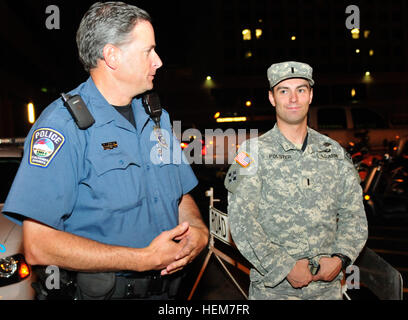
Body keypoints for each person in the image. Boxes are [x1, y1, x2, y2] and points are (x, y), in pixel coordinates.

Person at [2, 2, 208, 300]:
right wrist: (143, 258)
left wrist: (198, 231)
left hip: (166, 292)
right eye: (148, 51)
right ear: (112, 56)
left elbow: (180, 194)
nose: (159, 61)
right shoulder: (63, 126)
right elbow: (38, 246)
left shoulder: (155, 115)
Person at [224, 61, 368, 300]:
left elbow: (354, 215)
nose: (293, 98)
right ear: (272, 98)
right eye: (284, 91)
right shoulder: (251, 154)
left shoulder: (333, 152)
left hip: (327, 292)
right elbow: (241, 223)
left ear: (310, 95)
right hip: (274, 292)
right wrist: (283, 266)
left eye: (301, 90)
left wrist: (341, 258)